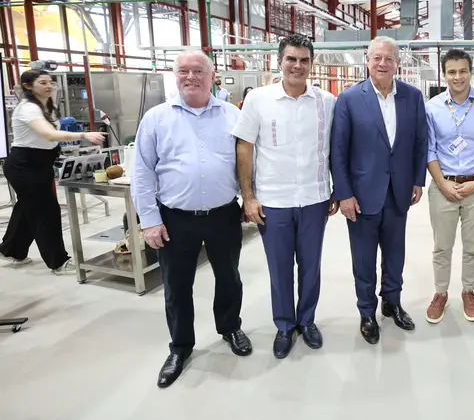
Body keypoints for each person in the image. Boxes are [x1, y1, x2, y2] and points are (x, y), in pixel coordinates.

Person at [132, 51, 251, 389]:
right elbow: (141, 172)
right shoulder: (156, 118)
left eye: (198, 71)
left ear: (212, 76)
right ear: (175, 76)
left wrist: (249, 199)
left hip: (223, 214)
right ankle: (180, 347)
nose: (190, 77)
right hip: (175, 218)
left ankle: (230, 327)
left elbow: (246, 163)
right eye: (183, 71)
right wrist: (149, 220)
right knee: (177, 285)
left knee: (229, 277)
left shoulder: (232, 115)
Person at [233, 35, 337, 359]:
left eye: (304, 60)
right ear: (279, 62)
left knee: (310, 266)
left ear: (311, 64)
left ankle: (306, 321)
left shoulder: (326, 102)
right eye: (291, 59)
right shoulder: (258, 100)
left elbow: (335, 148)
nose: (297, 66)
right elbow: (244, 148)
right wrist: (248, 197)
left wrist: (337, 188)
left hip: (314, 199)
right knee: (279, 269)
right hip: (273, 202)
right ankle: (284, 325)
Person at [331, 36, 428, 344]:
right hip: (361, 195)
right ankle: (367, 312)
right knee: (363, 259)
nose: (382, 64)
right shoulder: (349, 99)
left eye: (389, 58)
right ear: (367, 60)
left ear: (397, 62)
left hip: (399, 192)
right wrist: (344, 193)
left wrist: (417, 180)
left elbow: (420, 142)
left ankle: (392, 302)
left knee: (395, 254)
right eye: (377, 58)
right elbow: (338, 150)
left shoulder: (412, 97)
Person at [0, 70, 105, 273]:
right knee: (46, 213)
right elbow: (48, 134)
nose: (49, 86)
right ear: (28, 86)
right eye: (42, 82)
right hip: (25, 165)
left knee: (27, 209)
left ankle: (11, 250)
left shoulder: (47, 106)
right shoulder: (28, 108)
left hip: (41, 163)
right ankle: (58, 261)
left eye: (51, 82)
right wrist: (83, 135)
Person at [424, 49, 474, 324]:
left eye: (463, 71)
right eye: (452, 72)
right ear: (444, 74)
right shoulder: (432, 107)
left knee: (473, 246)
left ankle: (468, 291)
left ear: (471, 72)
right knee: (441, 247)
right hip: (443, 186)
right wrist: (442, 183)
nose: (458, 77)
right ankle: (440, 293)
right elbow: (429, 149)